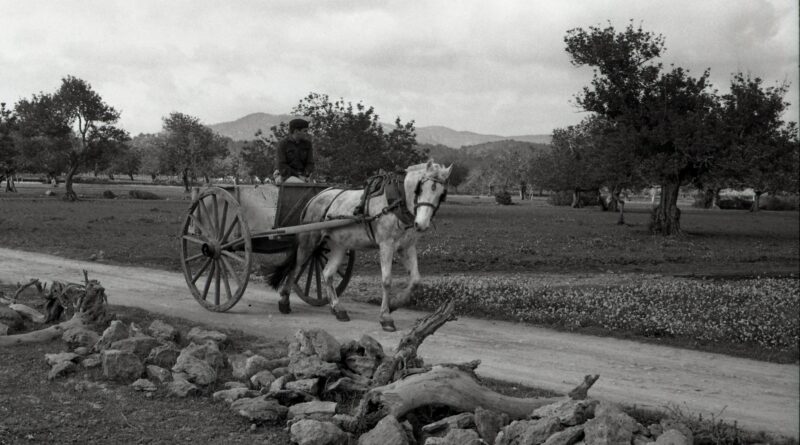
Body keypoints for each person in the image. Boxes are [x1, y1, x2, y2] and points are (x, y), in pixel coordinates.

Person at [276, 118, 314, 184]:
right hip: (287, 176)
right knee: (301, 184)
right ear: (296, 131)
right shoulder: (283, 144)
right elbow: (282, 166)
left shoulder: (307, 144)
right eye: (305, 131)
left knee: (315, 187)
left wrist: (306, 175)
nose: (307, 133)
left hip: (303, 176)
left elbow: (310, 163)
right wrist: (298, 176)